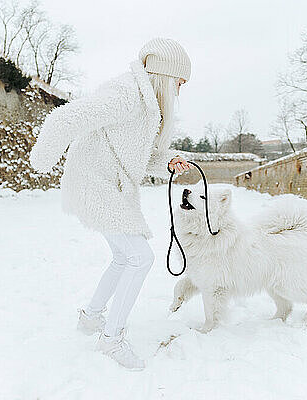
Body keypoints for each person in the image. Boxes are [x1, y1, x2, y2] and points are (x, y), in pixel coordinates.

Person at [28, 37, 193, 370]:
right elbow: (65, 120)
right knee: (140, 258)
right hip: (94, 184)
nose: (179, 90)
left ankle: (91, 318)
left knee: (123, 257)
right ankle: (111, 338)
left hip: (111, 187)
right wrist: (41, 160)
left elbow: (142, 157)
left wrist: (169, 162)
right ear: (165, 75)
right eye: (179, 82)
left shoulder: (147, 105)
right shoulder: (126, 94)